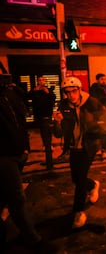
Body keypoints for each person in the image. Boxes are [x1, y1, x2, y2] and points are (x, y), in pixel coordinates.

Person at [0, 70, 57, 252]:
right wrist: (35, 90)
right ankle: (33, 240)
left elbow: (21, 117)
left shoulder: (11, 92)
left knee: (5, 194)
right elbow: (31, 100)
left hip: (19, 152)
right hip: (4, 155)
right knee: (17, 198)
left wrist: (25, 146)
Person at [53, 76, 106, 229]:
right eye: (67, 92)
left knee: (80, 178)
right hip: (74, 147)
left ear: (79, 90)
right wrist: (57, 122)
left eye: (74, 91)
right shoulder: (63, 106)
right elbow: (58, 134)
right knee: (76, 178)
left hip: (89, 146)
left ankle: (78, 211)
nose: (71, 96)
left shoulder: (91, 102)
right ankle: (93, 184)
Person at [29, 76, 56, 170]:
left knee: (47, 136)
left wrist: (48, 93)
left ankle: (49, 162)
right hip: (39, 117)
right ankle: (47, 147)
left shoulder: (48, 90)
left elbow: (53, 98)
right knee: (44, 135)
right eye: (39, 80)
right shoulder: (35, 91)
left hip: (47, 117)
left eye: (43, 80)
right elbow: (28, 97)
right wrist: (33, 91)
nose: (41, 82)